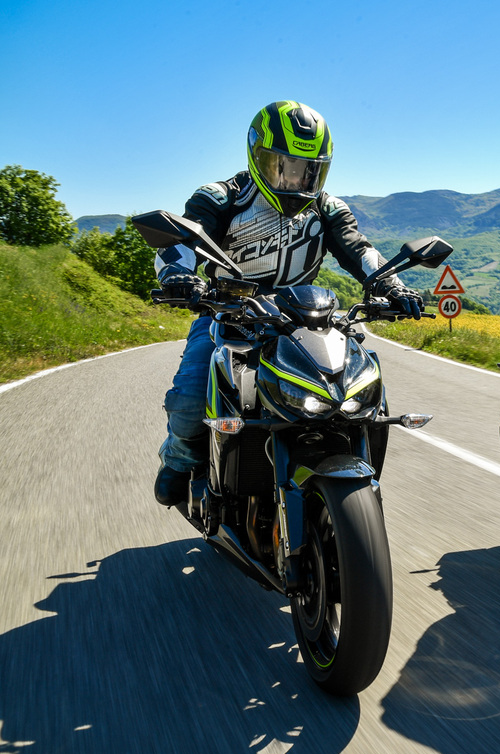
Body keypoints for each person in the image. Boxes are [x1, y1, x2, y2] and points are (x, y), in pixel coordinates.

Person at [153, 100, 424, 506]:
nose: (296, 179)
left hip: (302, 319)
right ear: (257, 154)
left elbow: (360, 250)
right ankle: (178, 459)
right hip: (226, 314)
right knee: (191, 397)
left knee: (359, 389)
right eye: (283, 166)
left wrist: (393, 286)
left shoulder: (327, 208)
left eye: (308, 170)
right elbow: (183, 241)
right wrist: (178, 274)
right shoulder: (222, 198)